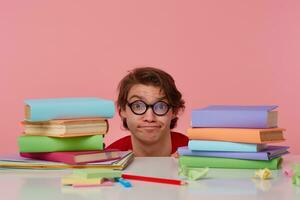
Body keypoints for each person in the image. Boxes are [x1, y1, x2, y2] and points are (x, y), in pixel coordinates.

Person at [106, 67, 188, 156]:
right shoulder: (108, 159)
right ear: (122, 111)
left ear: (175, 111)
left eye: (161, 106)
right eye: (138, 106)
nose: (149, 118)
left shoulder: (197, 153)